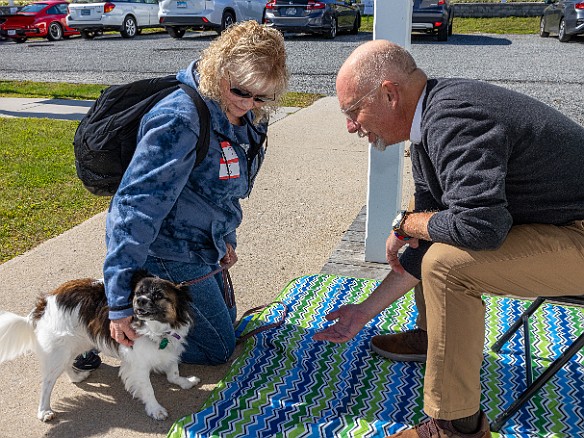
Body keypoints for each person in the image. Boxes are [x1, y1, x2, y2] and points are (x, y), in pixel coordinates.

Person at [313, 39, 584, 438]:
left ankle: (454, 427)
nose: (352, 126)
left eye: (353, 111)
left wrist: (407, 224)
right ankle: (434, 337)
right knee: (432, 237)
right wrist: (363, 312)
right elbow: (431, 231)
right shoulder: (431, 120)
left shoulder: (455, 120)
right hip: (565, 225)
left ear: (389, 94)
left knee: (447, 266)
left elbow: (480, 228)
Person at [76, 21, 288, 368]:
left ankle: (129, 299)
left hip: (200, 243)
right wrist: (117, 305)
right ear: (218, 71)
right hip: (165, 246)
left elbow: (223, 190)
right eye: (241, 92)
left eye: (262, 96)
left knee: (225, 322)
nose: (250, 104)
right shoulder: (180, 120)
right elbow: (135, 208)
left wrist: (224, 239)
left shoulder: (248, 115)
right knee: (217, 347)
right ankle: (100, 325)